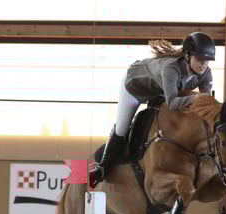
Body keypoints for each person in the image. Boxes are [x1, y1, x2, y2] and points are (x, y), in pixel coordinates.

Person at [89, 32, 216, 185]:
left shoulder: (206, 73)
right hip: (135, 88)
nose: (204, 64)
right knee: (122, 128)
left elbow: (204, 106)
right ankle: (102, 168)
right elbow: (173, 103)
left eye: (207, 60)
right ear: (188, 56)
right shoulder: (171, 69)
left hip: (159, 90)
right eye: (200, 59)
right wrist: (195, 98)